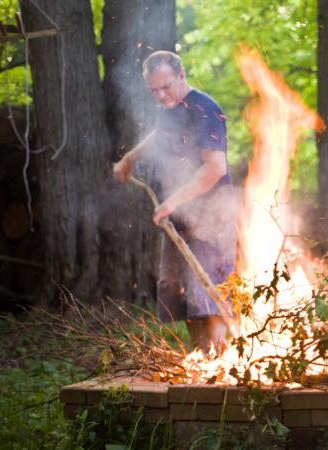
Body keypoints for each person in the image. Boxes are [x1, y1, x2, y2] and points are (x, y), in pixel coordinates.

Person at [112, 50, 235, 353]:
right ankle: (201, 362)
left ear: (181, 75)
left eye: (166, 87)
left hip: (210, 217)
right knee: (182, 294)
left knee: (209, 293)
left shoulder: (205, 109)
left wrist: (173, 201)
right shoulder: (168, 107)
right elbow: (160, 134)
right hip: (178, 213)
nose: (161, 95)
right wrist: (131, 157)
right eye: (154, 90)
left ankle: (220, 362)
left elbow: (215, 168)